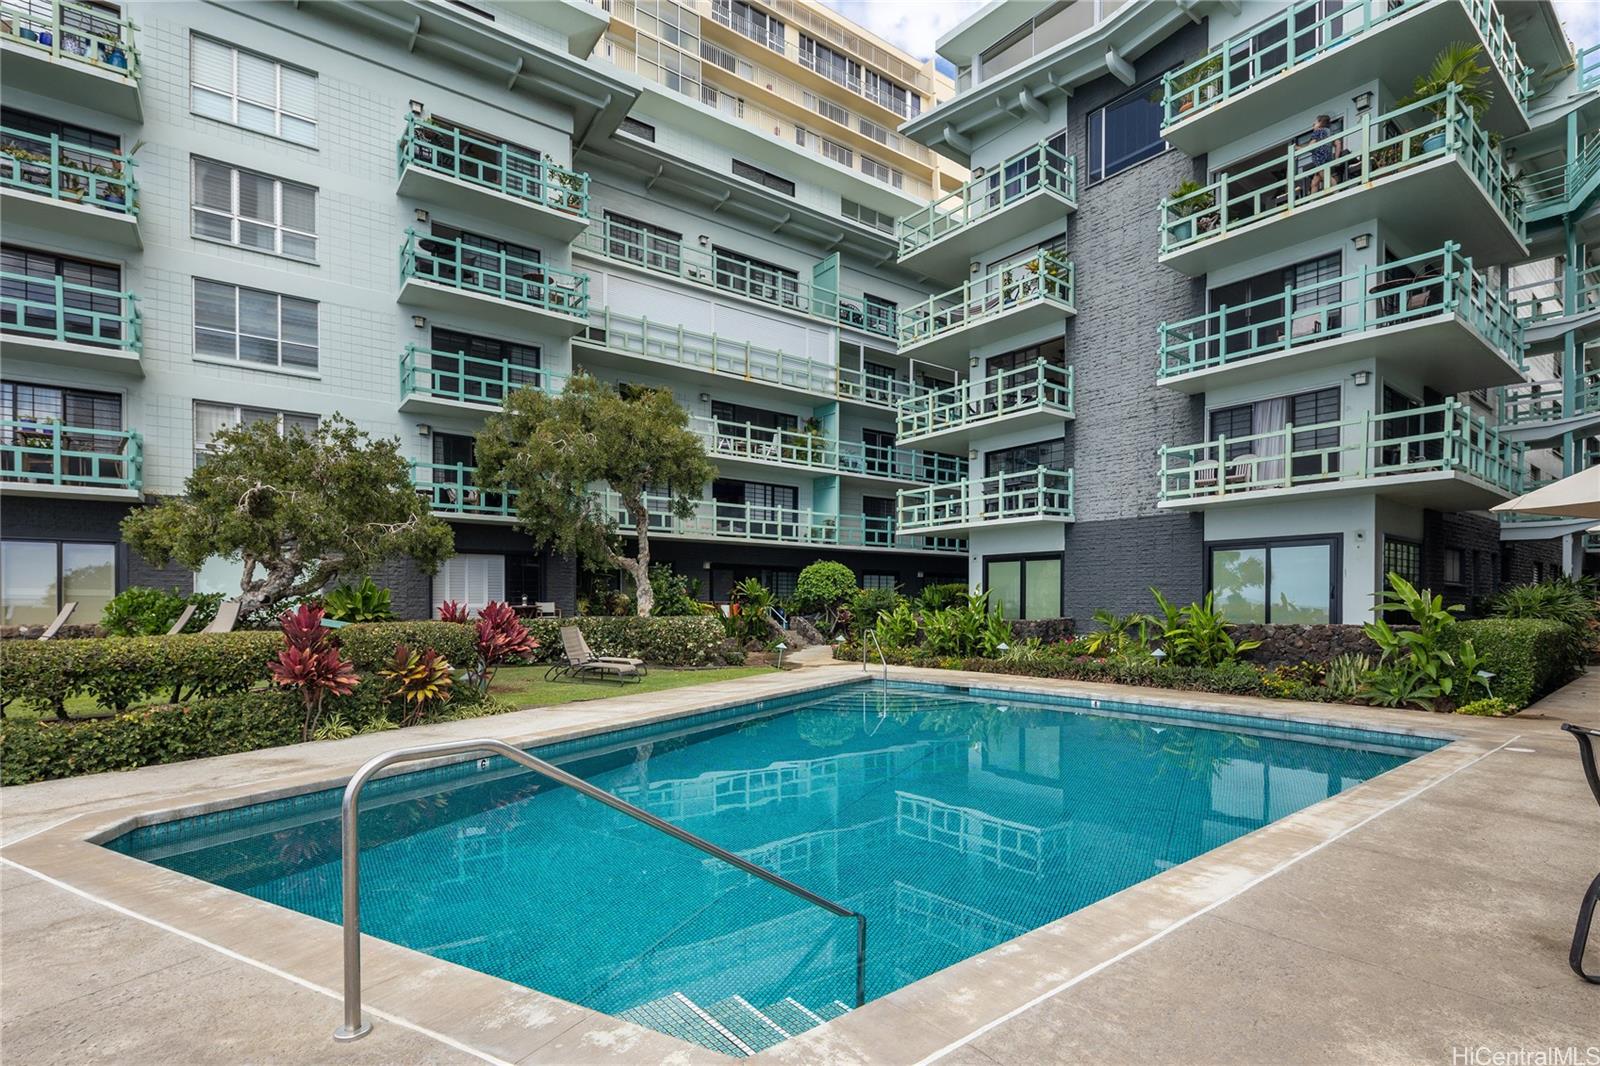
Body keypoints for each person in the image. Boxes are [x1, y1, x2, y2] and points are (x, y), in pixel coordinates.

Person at [1302, 114, 1335, 194]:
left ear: (1320, 122)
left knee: (1326, 177)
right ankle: (1312, 200)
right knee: (1315, 182)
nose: (1313, 124)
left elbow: (1311, 146)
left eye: (1315, 122)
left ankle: (1336, 191)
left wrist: (1297, 148)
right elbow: (1337, 143)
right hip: (1328, 157)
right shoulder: (1328, 132)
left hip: (1320, 158)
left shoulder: (1318, 131)